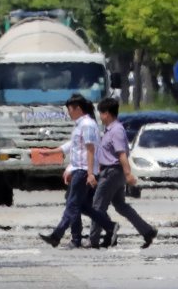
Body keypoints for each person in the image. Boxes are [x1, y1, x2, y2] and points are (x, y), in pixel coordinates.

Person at [38, 94, 119, 248]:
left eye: (70, 110)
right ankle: (110, 226)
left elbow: (90, 149)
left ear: (78, 109)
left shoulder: (87, 125)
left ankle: (60, 236)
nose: (68, 113)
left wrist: (89, 173)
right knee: (82, 206)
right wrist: (52, 152)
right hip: (80, 170)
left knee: (72, 205)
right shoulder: (81, 125)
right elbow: (73, 145)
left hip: (82, 171)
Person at [88, 98, 158, 249]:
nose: (100, 116)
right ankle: (147, 231)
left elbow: (121, 154)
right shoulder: (110, 130)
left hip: (112, 173)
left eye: (101, 113)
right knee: (120, 206)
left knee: (97, 206)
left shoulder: (116, 131)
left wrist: (128, 174)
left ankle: (93, 240)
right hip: (112, 172)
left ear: (107, 114)